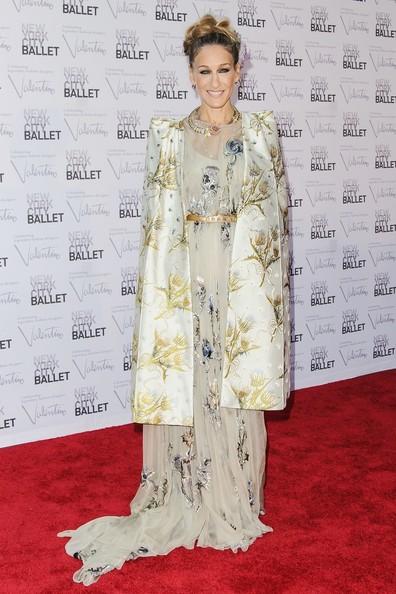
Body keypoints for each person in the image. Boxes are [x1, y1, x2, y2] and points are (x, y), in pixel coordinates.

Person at [58, 14, 290, 586]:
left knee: (230, 385)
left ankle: (231, 499)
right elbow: (156, 227)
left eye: (225, 70)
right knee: (188, 383)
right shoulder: (168, 136)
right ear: (190, 74)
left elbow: (276, 218)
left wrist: (260, 297)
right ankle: (182, 495)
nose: (215, 82)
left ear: (239, 71)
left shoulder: (262, 131)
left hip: (238, 282)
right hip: (186, 282)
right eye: (204, 71)